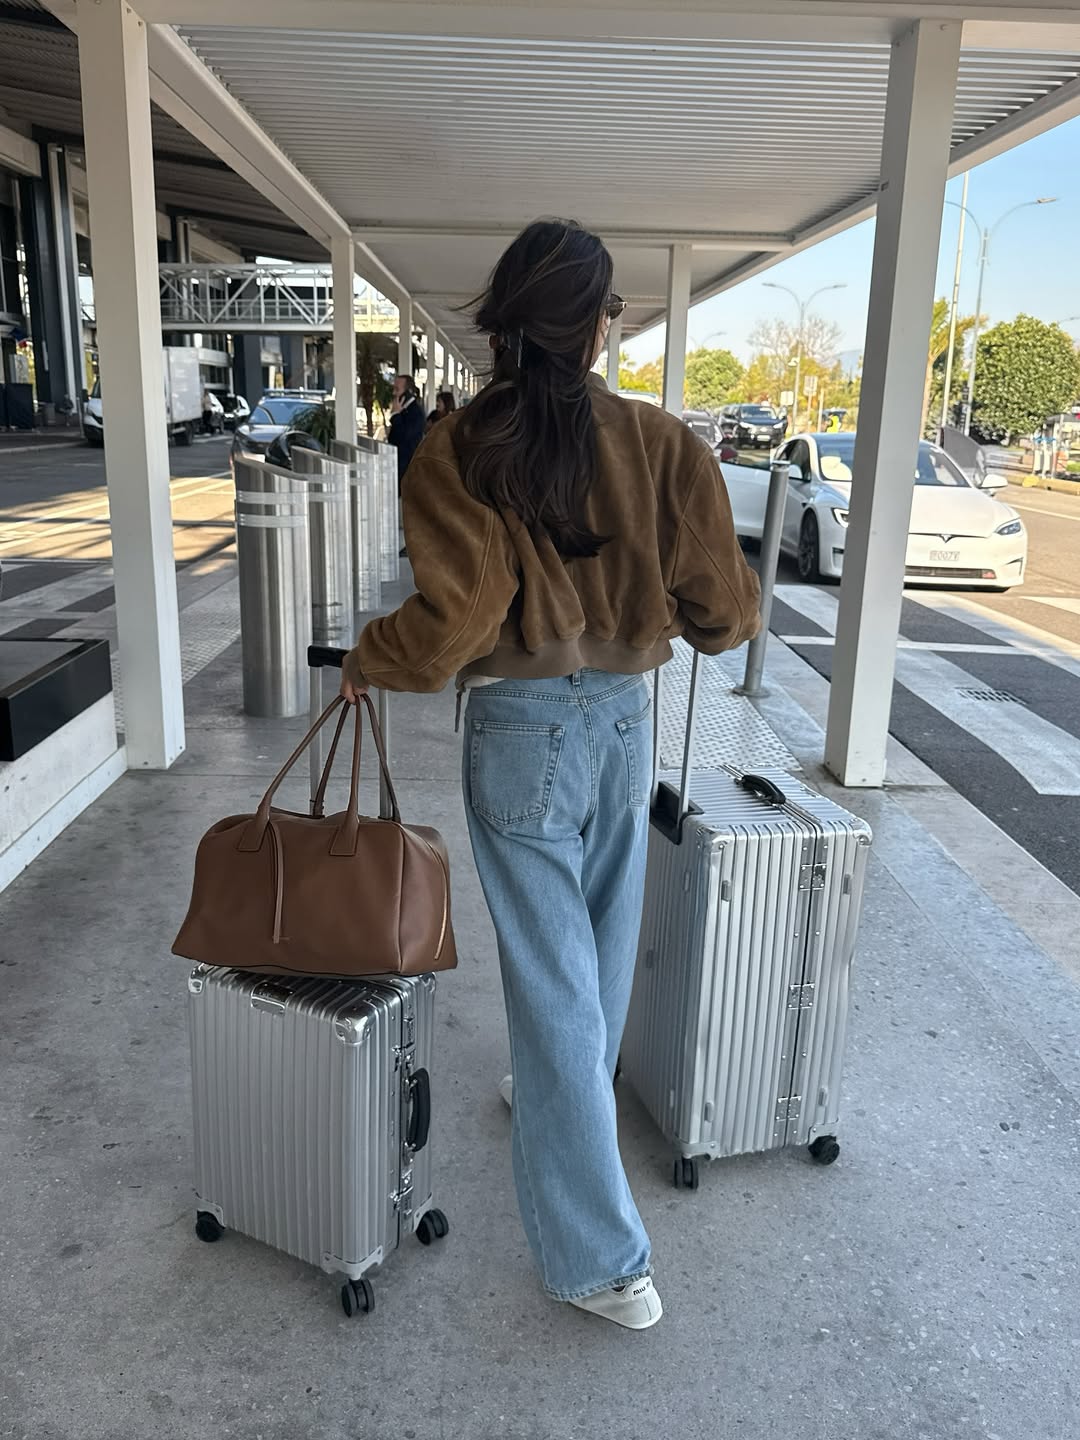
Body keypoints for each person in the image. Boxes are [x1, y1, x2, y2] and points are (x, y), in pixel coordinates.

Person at [338, 219, 760, 1332]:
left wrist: (365, 660)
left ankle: (602, 1262)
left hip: (521, 723)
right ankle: (553, 1093)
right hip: (624, 714)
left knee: (553, 971)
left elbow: (450, 630)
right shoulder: (665, 444)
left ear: (505, 316)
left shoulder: (463, 445)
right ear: (599, 323)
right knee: (601, 944)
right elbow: (726, 614)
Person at [388, 373, 425, 482]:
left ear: (408, 393)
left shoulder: (416, 413)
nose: (393, 393)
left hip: (407, 467)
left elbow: (403, 436)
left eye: (397, 389)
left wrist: (396, 415)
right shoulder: (403, 410)